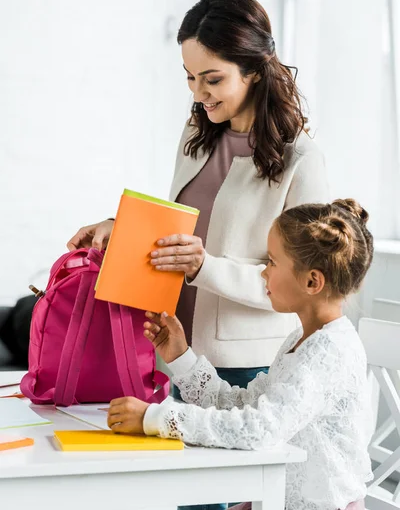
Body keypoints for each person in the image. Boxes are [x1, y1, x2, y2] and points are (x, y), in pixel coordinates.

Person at [68, 0, 328, 510]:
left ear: (254, 69)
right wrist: (121, 225)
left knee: (208, 499)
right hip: (180, 352)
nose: (199, 93)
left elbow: (303, 283)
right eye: (190, 77)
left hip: (243, 367)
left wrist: (205, 266)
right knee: (181, 498)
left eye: (213, 79)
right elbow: (181, 228)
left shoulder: (302, 159)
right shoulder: (199, 130)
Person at [107, 198, 374, 510]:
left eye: (272, 263)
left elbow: (259, 428)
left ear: (311, 281)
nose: (263, 274)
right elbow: (243, 405)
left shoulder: (329, 352)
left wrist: (155, 418)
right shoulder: (301, 340)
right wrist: (181, 357)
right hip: (279, 499)